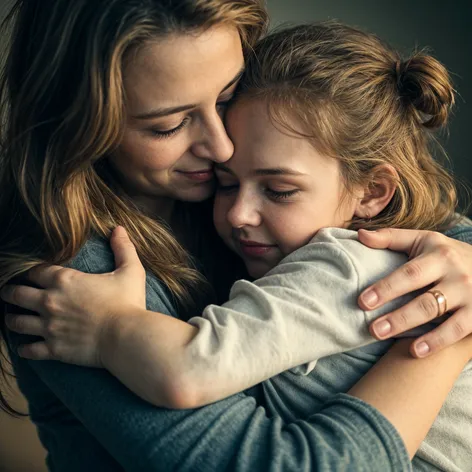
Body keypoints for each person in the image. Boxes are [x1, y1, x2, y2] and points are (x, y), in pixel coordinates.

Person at [1, 1, 472, 470]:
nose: (222, 146)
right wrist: (445, 344)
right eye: (169, 124)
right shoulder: (73, 271)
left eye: (226, 96)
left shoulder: (224, 183)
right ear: (79, 122)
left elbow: (438, 228)